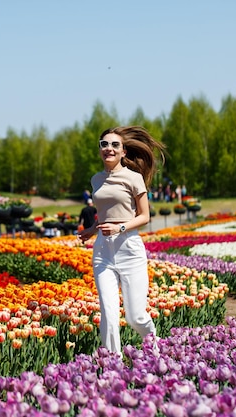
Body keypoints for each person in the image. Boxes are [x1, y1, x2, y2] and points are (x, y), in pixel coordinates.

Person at [78, 126, 166, 355]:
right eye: (104, 144)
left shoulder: (134, 178)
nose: (109, 148)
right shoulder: (96, 180)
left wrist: (120, 227)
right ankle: (112, 365)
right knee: (108, 312)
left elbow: (145, 217)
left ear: (124, 152)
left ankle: (154, 347)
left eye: (115, 145)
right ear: (100, 149)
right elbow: (107, 213)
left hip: (129, 249)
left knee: (135, 316)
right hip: (102, 252)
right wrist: (92, 228)